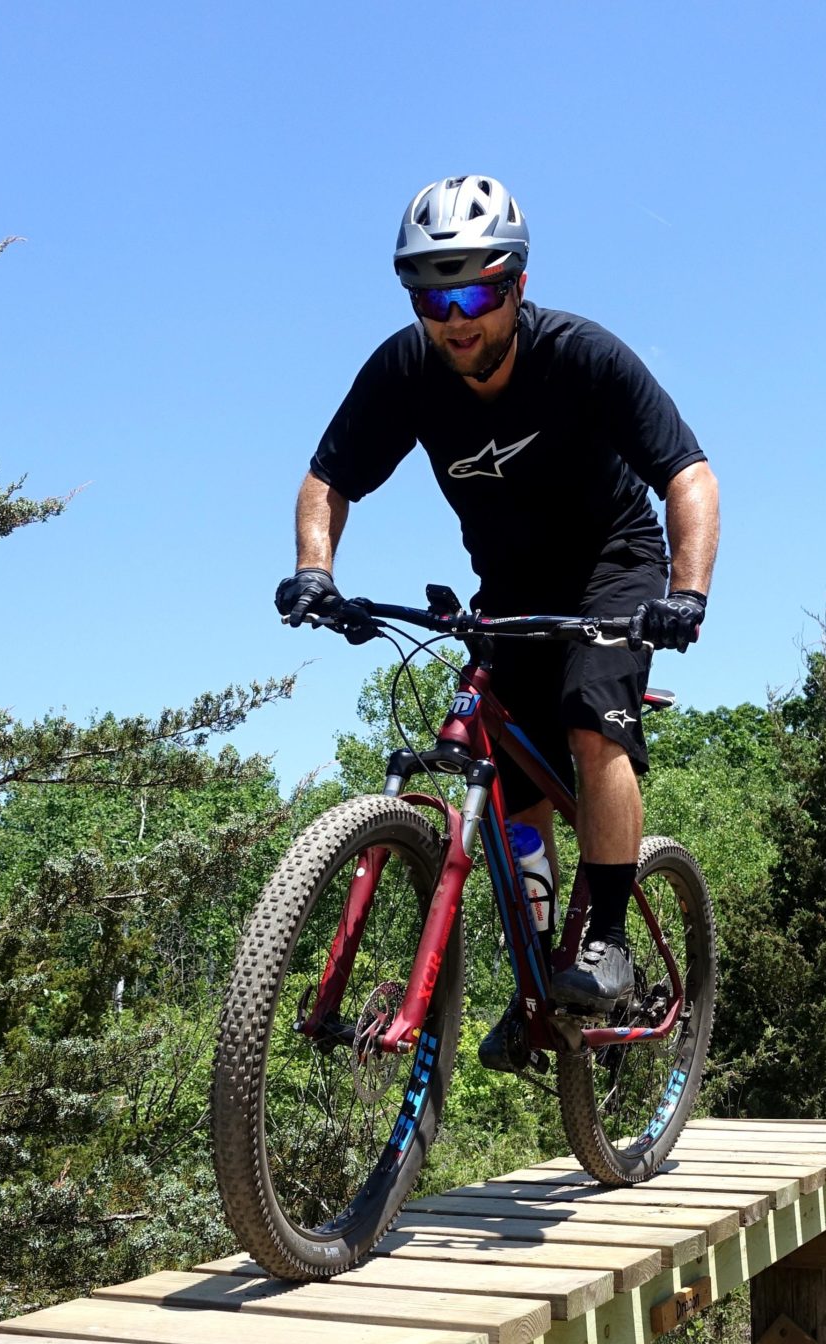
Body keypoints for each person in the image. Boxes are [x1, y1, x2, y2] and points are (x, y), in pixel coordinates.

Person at [275, 174, 719, 1058]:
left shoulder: (581, 356)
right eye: (432, 296)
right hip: (510, 587)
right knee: (509, 786)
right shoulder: (406, 372)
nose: (455, 317)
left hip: (615, 568)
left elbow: (689, 476)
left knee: (593, 727)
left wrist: (687, 594)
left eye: (476, 289)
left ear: (517, 284)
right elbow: (329, 479)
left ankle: (609, 937)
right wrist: (314, 572)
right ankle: (539, 990)